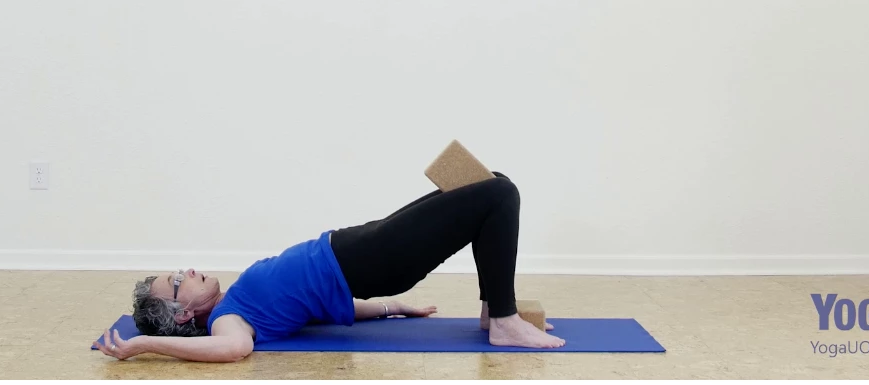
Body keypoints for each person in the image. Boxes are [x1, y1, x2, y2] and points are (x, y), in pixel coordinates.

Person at [95, 172, 565, 362]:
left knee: (493, 183)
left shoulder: (241, 302)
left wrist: (393, 308)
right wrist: (143, 345)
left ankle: (493, 311)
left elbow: (319, 310)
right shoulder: (227, 322)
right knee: (500, 195)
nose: (188, 271)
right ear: (182, 315)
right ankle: (503, 320)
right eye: (177, 283)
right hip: (368, 256)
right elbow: (234, 351)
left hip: (362, 248)